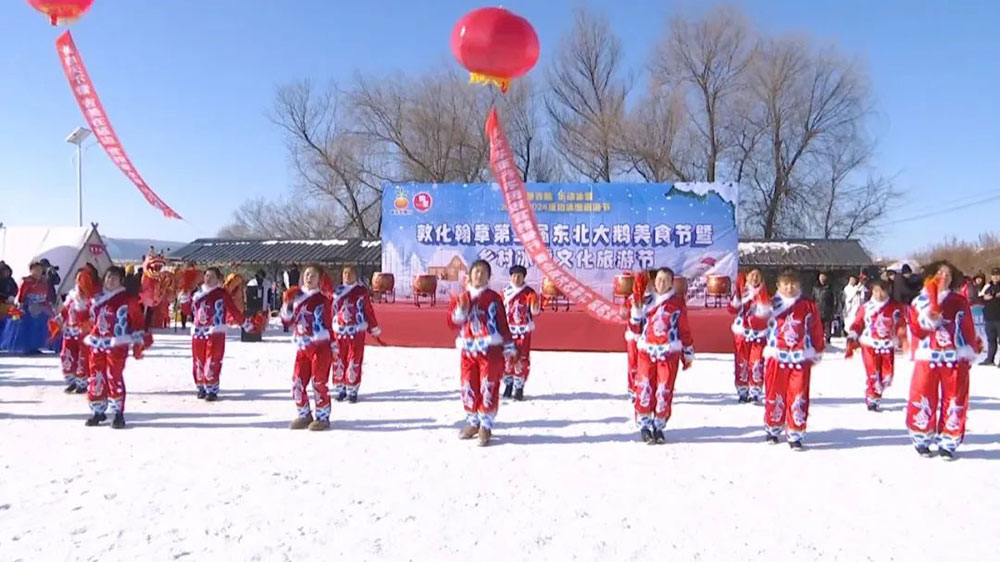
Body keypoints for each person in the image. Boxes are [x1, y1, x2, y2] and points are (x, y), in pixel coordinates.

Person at [906, 261, 982, 459]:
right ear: (931, 275)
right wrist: (929, 319)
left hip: (954, 357)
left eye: (948, 274)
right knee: (922, 395)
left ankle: (949, 441)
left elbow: (967, 327)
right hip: (927, 357)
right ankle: (921, 438)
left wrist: (969, 349)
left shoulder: (959, 300)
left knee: (955, 397)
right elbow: (916, 329)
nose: (944, 277)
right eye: (940, 273)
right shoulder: (919, 302)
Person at [447, 260, 516, 447]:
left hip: (490, 350)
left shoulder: (494, 298)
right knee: (468, 384)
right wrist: (460, 310)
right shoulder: (462, 297)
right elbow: (452, 323)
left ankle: (485, 424)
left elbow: (503, 323)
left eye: (484, 272)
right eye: (476, 271)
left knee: (488, 385)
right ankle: (472, 421)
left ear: (489, 277)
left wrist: (509, 345)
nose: (479, 275)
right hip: (468, 350)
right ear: (469, 275)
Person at [630, 267, 694, 445]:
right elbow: (635, 327)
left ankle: (658, 426)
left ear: (672, 283)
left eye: (666, 280)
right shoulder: (646, 300)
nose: (661, 283)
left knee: (664, 390)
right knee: (644, 388)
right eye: (659, 279)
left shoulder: (677, 304)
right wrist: (635, 311)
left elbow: (684, 329)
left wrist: (687, 351)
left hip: (668, 353)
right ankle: (644, 425)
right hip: (646, 352)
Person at [762, 268, 825, 450]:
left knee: (798, 394)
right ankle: (773, 428)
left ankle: (795, 432)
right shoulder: (770, 305)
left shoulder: (807, 306)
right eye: (786, 284)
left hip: (800, 357)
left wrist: (818, 348)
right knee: (774, 393)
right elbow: (757, 324)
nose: (790, 287)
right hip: (776, 356)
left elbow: (816, 329)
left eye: (793, 284)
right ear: (778, 286)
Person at [83, 266, 146, 429]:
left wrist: (139, 341)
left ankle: (117, 413)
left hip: (117, 344)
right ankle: (98, 410)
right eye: (109, 277)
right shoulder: (96, 298)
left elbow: (138, 320)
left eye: (115, 278)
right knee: (96, 376)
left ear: (121, 281)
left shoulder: (127, 299)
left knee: (114, 376)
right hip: (97, 342)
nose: (111, 281)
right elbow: (88, 318)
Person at [281, 265, 335, 430]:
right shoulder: (297, 298)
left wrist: (334, 345)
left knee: (319, 382)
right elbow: (287, 322)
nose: (309, 277)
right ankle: (304, 414)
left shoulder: (323, 300)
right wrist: (287, 304)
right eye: (306, 274)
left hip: (320, 346)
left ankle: (323, 416)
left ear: (319, 280)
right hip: (302, 346)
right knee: (297, 382)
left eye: (313, 275)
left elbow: (329, 323)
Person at [846, 280, 905, 411]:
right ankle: (872, 398)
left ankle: (877, 393)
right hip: (869, 344)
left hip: (887, 345)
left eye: (882, 291)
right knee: (873, 373)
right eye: (876, 291)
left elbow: (902, 324)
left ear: (887, 291)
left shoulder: (896, 308)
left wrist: (902, 338)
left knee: (886, 376)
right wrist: (854, 333)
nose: (879, 294)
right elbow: (858, 322)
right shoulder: (866, 308)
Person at [189, 267, 245, 401]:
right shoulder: (197, 295)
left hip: (215, 332)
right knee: (199, 361)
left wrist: (244, 323)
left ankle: (212, 389)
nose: (208, 279)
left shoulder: (222, 294)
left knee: (212, 361)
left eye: (212, 277)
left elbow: (233, 310)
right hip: (198, 332)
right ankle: (201, 386)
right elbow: (188, 311)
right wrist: (185, 298)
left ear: (218, 279)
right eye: (206, 276)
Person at [330, 264, 381, 403]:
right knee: (339, 360)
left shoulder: (361, 292)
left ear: (355, 276)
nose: (347, 276)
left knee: (354, 360)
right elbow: (331, 311)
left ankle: (352, 389)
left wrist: (373, 326)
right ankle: (340, 389)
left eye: (350, 273)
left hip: (356, 331)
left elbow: (368, 310)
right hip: (339, 332)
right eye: (345, 273)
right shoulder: (336, 292)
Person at [728, 269, 771, 404]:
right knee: (742, 362)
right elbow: (732, 309)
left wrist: (761, 296)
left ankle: (755, 392)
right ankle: (742, 391)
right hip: (742, 332)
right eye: (752, 275)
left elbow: (766, 312)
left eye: (758, 275)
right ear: (746, 277)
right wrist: (738, 297)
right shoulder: (741, 291)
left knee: (757, 362)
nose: (754, 278)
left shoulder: (764, 293)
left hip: (759, 334)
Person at [56, 267, 100, 394]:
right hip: (70, 332)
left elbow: (94, 317)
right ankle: (71, 381)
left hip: (84, 334)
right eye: (79, 279)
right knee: (67, 355)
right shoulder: (72, 296)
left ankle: (82, 382)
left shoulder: (93, 300)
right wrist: (58, 320)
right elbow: (64, 312)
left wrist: (86, 324)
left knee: (83, 358)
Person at [501, 265, 541, 401]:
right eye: (514, 276)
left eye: (519, 276)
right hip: (508, 330)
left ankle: (519, 387)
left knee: (521, 359)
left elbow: (535, 312)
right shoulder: (505, 292)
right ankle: (508, 384)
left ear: (524, 277)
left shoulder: (530, 293)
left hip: (523, 330)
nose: (516, 278)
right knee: (507, 359)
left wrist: (535, 305)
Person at [622, 271, 653, 402]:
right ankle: (633, 388)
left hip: (649, 337)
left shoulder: (655, 299)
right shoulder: (632, 299)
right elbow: (624, 314)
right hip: (635, 335)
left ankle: (646, 388)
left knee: (648, 364)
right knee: (634, 363)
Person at [979, 267, 1000, 367]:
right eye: (994, 275)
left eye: (997, 275)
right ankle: (990, 359)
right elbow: (980, 297)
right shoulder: (987, 286)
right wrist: (985, 297)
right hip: (989, 317)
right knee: (991, 340)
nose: (995, 277)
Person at [811, 272, 836, 343]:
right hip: (818, 310)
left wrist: (832, 310)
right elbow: (812, 299)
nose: (822, 279)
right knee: (819, 327)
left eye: (823, 277)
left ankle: (828, 339)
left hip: (827, 310)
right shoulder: (815, 288)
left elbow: (833, 300)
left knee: (827, 326)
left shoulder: (829, 288)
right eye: (821, 277)